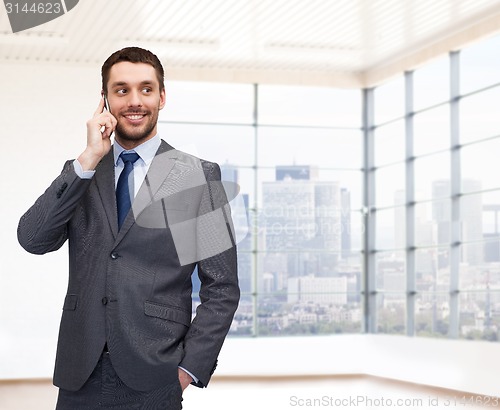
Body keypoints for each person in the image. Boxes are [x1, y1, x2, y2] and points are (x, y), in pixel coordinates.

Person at [17, 47, 240, 410]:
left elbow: (222, 286)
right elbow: (33, 239)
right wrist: (88, 159)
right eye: (121, 90)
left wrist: (188, 368)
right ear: (104, 100)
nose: (135, 101)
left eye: (146, 89)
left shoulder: (196, 177)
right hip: (80, 372)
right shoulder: (83, 173)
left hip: (156, 373)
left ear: (162, 97)